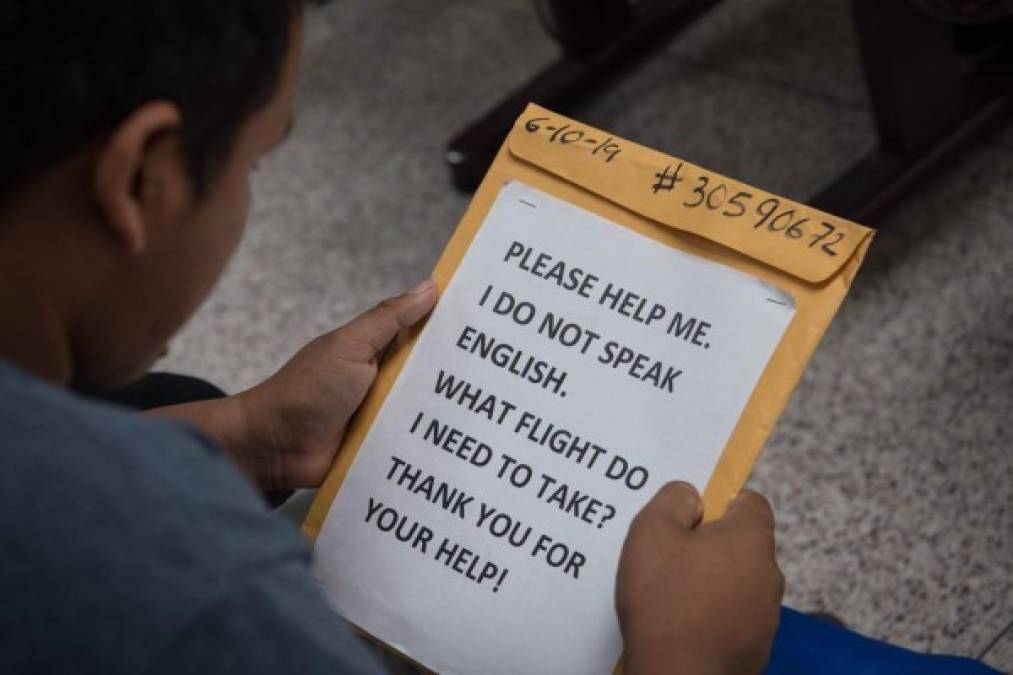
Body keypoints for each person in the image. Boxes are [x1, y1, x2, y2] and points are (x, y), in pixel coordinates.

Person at [0, 1, 786, 673]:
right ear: (140, 177)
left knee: (182, 405)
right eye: (256, 164)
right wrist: (683, 656)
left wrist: (249, 436)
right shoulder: (201, 591)